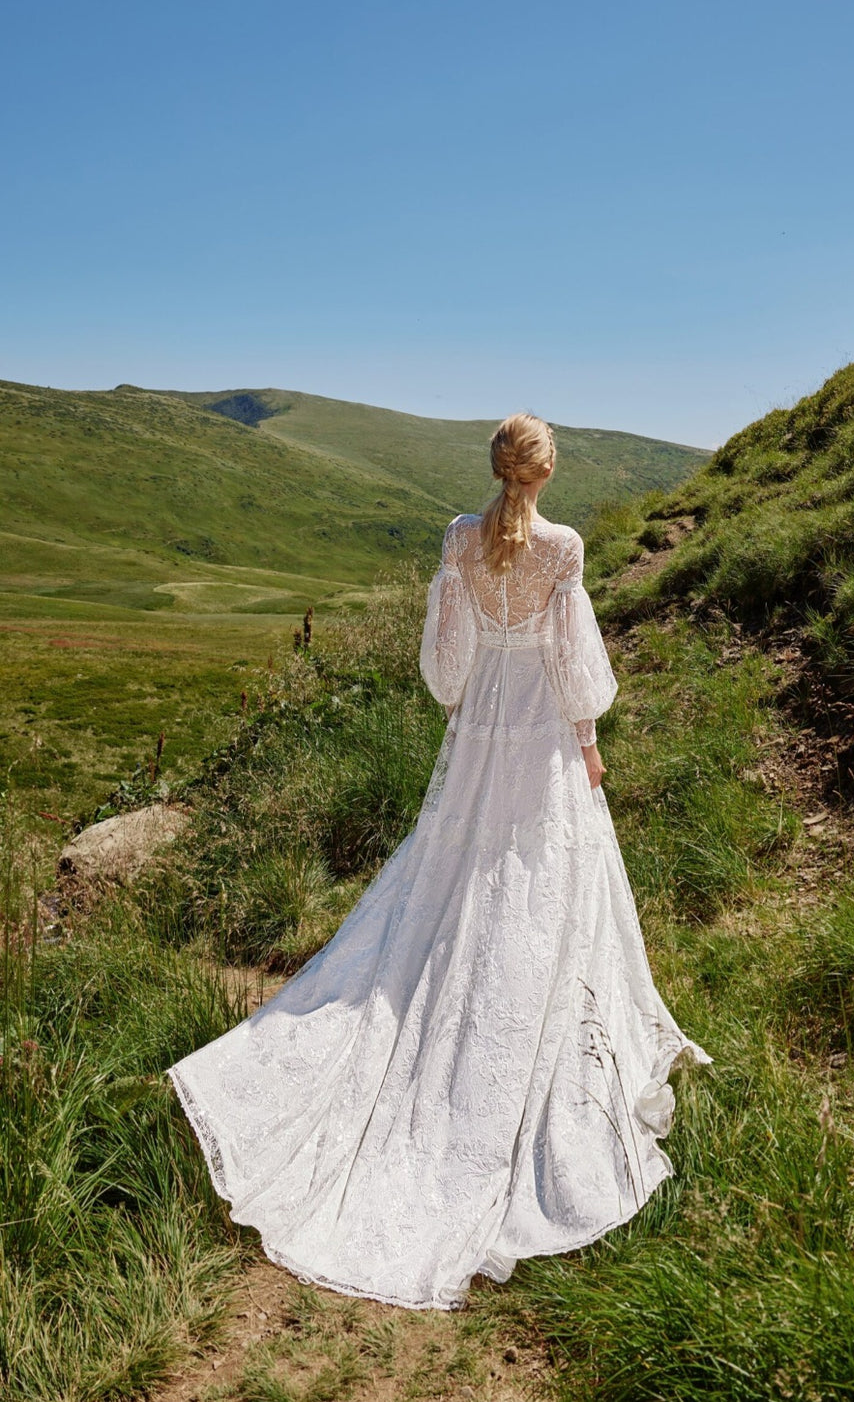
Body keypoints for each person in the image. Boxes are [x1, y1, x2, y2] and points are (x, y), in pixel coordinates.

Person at [168, 412, 710, 1311]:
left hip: (483, 722)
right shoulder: (564, 546)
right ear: (541, 471)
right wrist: (589, 740)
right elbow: (579, 664)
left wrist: (468, 697)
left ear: (499, 469)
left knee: (457, 860)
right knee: (538, 868)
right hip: (538, 724)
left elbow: (446, 666)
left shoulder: (459, 537)